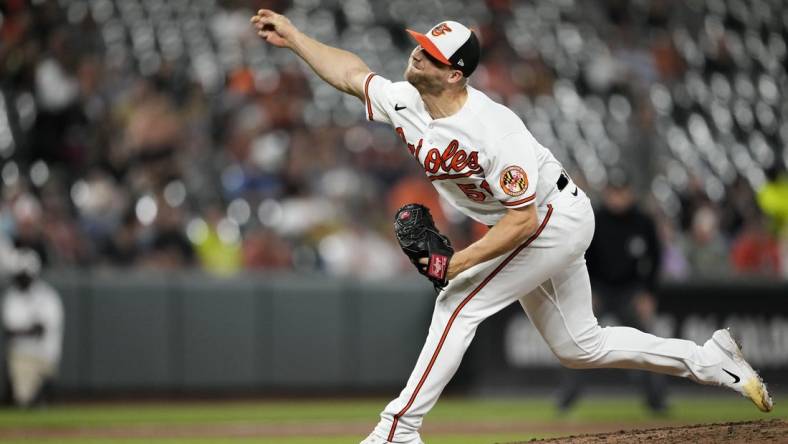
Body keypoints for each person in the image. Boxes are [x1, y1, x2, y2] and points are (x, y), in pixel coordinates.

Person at [250, 10, 772, 443]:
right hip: (523, 221)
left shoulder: (494, 130)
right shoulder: (407, 101)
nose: (415, 53)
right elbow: (351, 74)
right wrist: (295, 38)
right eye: (420, 44)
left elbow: (523, 220)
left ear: (455, 73)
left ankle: (397, 431)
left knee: (457, 301)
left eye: (429, 53)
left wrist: (457, 263)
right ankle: (711, 359)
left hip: (552, 218)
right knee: (579, 347)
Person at [556, 170, 667, 414]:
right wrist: (587, 292)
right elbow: (580, 257)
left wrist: (649, 293)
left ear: (629, 193)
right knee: (577, 341)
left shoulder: (643, 221)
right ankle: (566, 399)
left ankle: (657, 400)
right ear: (606, 193)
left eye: (621, 192)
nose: (617, 198)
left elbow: (656, 259)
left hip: (631, 292)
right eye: (613, 192)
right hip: (599, 290)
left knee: (648, 343)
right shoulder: (594, 218)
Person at [2, 249, 64, 407]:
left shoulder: (47, 295)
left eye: (24, 274)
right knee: (23, 400)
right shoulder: (12, 297)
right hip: (22, 356)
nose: (21, 278)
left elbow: (42, 330)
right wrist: (30, 329)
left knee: (31, 396)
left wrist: (27, 330)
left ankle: (43, 388)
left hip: (46, 355)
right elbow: (10, 331)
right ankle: (35, 394)